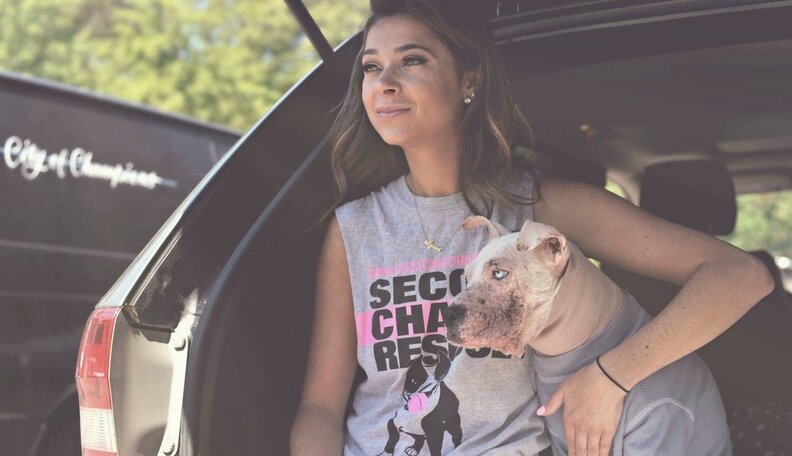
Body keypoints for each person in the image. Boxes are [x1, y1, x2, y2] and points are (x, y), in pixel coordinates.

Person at [289, 1, 775, 455]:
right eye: (371, 67)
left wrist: (612, 376)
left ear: (469, 81)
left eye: (411, 60)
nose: (385, 83)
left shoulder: (539, 205)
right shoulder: (353, 227)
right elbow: (320, 407)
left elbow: (740, 276)